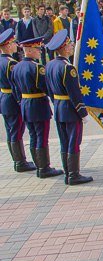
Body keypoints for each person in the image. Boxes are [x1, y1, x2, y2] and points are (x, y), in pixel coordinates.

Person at [44, 30, 92, 185]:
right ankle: (73, 175)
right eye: (70, 45)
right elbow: (74, 93)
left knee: (64, 141)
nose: (72, 47)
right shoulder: (68, 68)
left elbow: (49, 90)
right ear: (64, 48)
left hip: (59, 107)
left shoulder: (50, 65)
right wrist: (83, 112)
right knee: (73, 141)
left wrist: (56, 103)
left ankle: (67, 172)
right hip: (70, 109)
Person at [11, 36, 62, 178]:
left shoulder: (17, 66)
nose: (40, 51)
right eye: (37, 49)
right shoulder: (37, 68)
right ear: (29, 50)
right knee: (41, 136)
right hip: (38, 105)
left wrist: (21, 102)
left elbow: (15, 89)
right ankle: (44, 168)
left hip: (25, 104)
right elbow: (46, 88)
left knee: (33, 136)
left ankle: (39, 166)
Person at [0, 29, 35, 173]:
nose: (16, 45)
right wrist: (20, 101)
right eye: (13, 43)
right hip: (12, 99)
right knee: (16, 130)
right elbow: (15, 85)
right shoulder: (11, 63)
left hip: (4, 97)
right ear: (8, 45)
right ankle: (20, 162)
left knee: (10, 130)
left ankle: (17, 160)